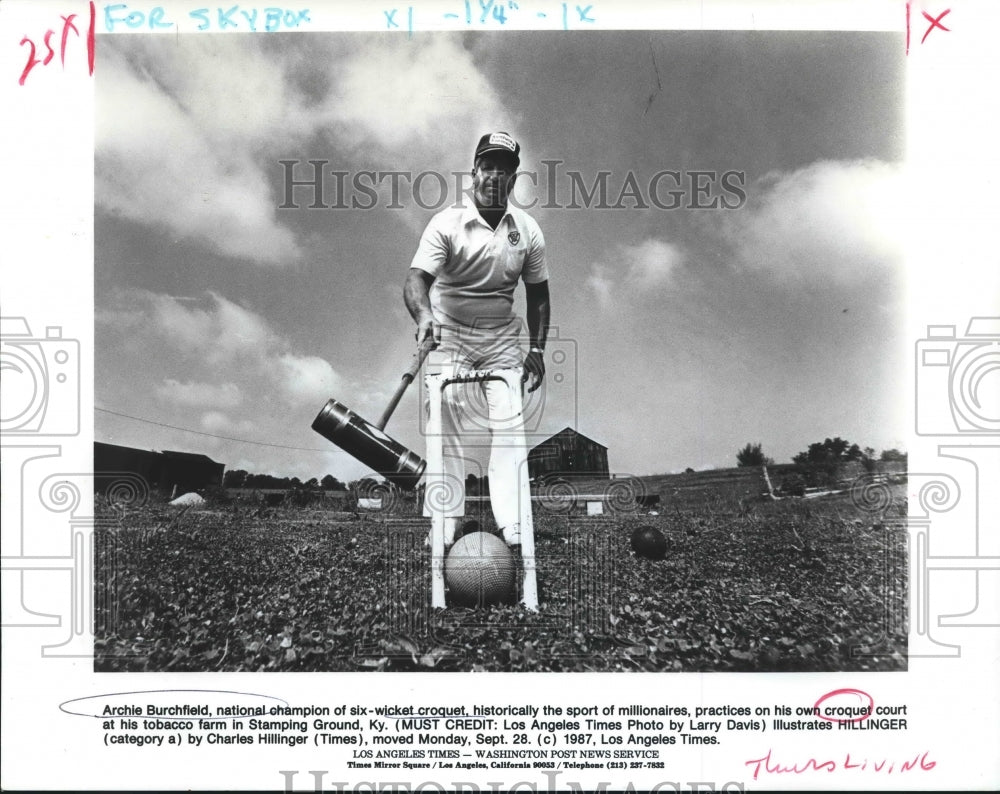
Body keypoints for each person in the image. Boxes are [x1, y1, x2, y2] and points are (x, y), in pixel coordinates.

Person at [404, 131, 550, 548]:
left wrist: (536, 348)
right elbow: (416, 280)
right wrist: (423, 315)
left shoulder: (527, 230)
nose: (494, 176)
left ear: (513, 178)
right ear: (473, 172)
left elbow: (538, 293)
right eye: (487, 167)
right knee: (443, 413)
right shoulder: (446, 223)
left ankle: (515, 525)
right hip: (448, 335)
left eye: (504, 170)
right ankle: (445, 522)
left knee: (510, 422)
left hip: (501, 339)